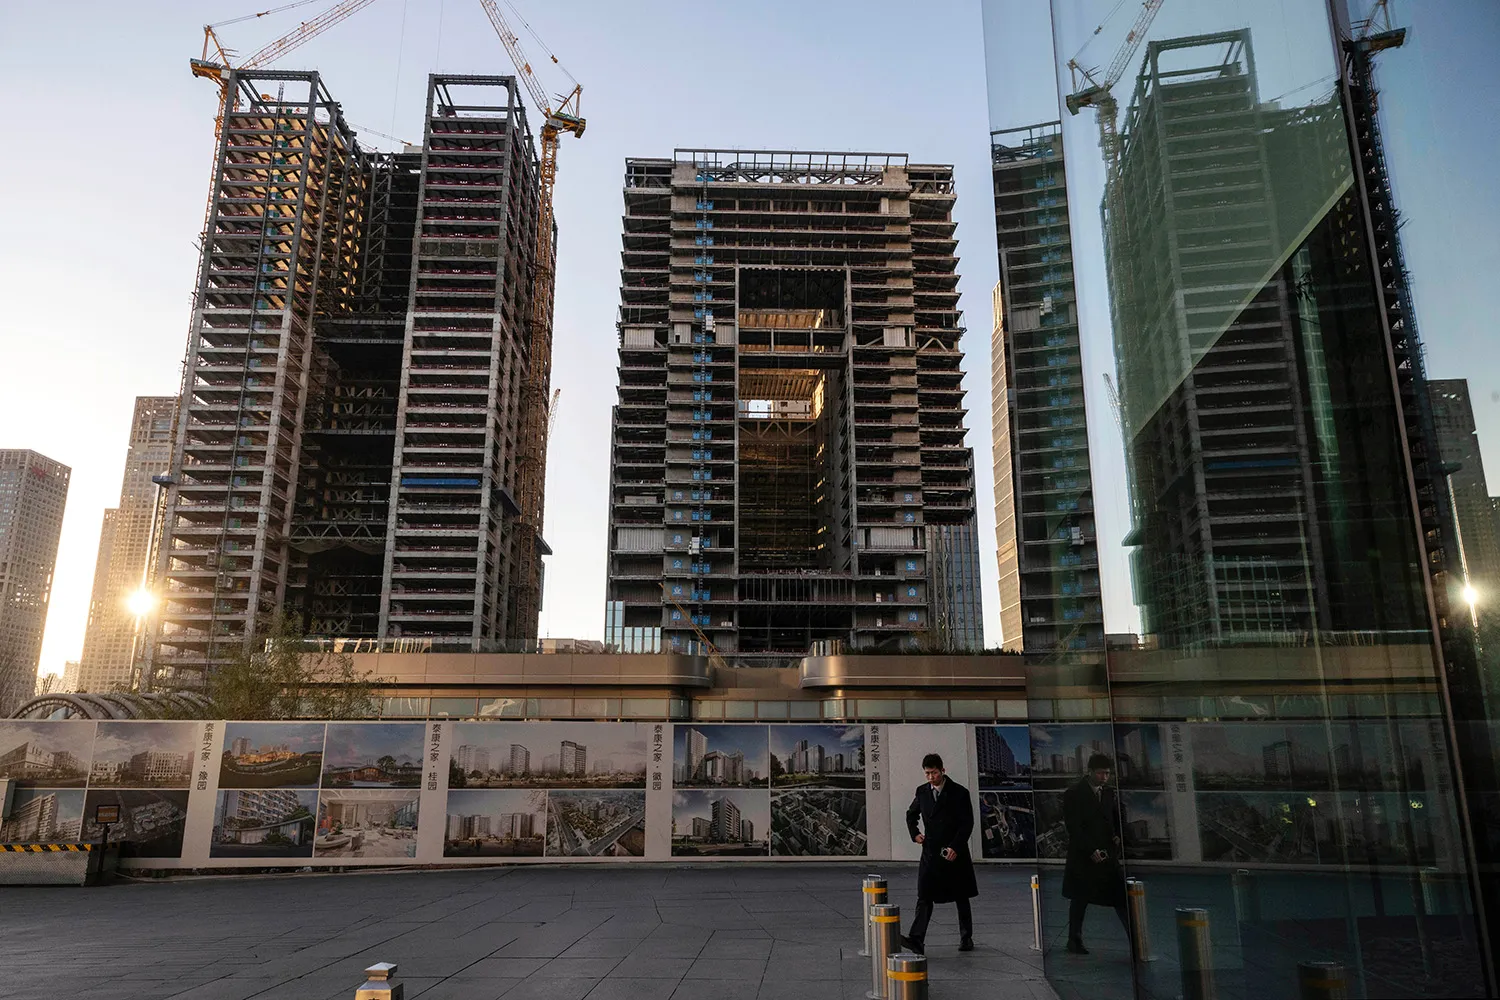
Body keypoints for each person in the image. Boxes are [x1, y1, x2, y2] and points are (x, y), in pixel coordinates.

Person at [902, 753, 978, 954]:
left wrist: (955, 846)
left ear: (942, 771)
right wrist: (915, 833)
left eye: (934, 773)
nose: (930, 778)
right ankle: (916, 940)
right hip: (931, 852)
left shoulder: (960, 793)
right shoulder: (922, 792)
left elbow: (967, 823)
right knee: (924, 895)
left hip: (954, 851)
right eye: (927, 774)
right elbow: (911, 815)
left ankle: (966, 937)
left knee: (961, 896)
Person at [1062, 752, 1129, 955]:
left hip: (1107, 853)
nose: (1104, 777)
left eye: (1107, 773)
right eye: (1101, 773)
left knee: (1121, 896)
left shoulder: (1108, 793)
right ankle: (1074, 940)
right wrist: (1090, 849)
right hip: (1084, 855)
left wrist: (1118, 835)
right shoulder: (1073, 793)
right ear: (1090, 771)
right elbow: (1074, 827)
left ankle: (1135, 940)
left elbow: (1115, 818)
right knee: (1080, 899)